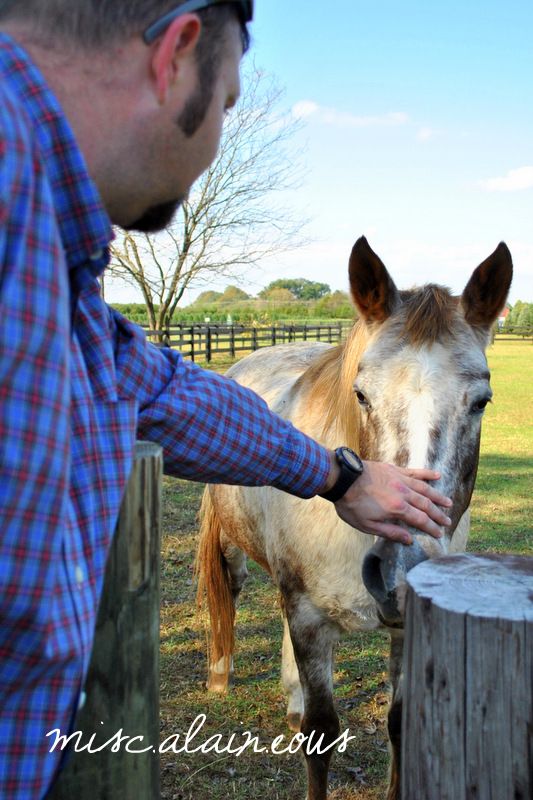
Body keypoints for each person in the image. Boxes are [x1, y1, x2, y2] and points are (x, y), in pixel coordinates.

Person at [0, 1, 453, 796]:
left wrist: (342, 479)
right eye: (231, 102)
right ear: (175, 54)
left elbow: (159, 390)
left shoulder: (51, 257)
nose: (217, 141)